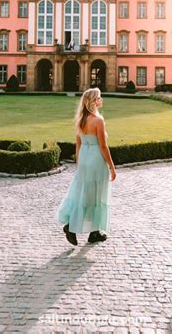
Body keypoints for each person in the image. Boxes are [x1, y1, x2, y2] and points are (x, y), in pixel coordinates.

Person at [56, 87, 116, 245]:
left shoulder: (81, 119)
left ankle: (89, 231)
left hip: (84, 158)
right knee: (96, 194)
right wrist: (112, 166)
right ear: (93, 102)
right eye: (99, 98)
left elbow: (78, 144)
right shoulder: (98, 120)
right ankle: (79, 229)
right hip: (96, 159)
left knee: (83, 193)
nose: (101, 100)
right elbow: (103, 146)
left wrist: (79, 162)